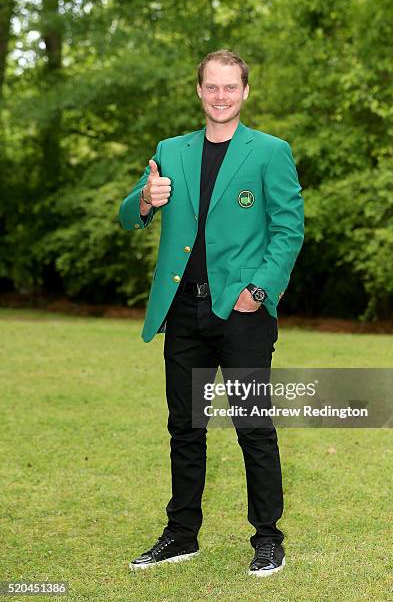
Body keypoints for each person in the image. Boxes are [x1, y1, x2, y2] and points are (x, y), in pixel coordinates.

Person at [118, 49, 304, 577]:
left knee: (253, 428)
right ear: (198, 91)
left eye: (230, 88)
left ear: (245, 92)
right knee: (185, 427)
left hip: (244, 313)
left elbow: (289, 230)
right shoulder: (170, 151)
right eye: (211, 87)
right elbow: (129, 213)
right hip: (183, 311)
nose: (220, 96)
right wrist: (147, 199)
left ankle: (268, 539)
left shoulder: (270, 152)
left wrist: (260, 292)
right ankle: (181, 535)